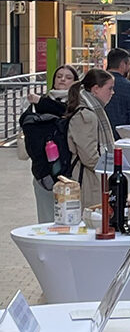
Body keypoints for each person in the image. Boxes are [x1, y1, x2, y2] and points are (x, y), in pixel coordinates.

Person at [24, 65, 79, 221]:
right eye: (59, 76)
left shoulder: (78, 105)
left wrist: (40, 101)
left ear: (75, 82)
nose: (62, 79)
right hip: (43, 172)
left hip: (69, 173)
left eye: (68, 77)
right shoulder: (40, 103)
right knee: (46, 218)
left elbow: (65, 112)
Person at [65, 69, 116, 211]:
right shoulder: (86, 115)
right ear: (95, 89)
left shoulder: (92, 111)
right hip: (88, 180)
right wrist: (109, 170)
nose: (112, 93)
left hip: (92, 177)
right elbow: (89, 156)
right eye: (110, 88)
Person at [103, 48, 130, 136]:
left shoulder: (97, 82)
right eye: (129, 64)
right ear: (123, 64)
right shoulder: (129, 86)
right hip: (122, 136)